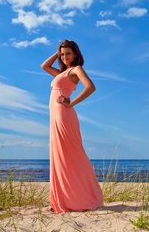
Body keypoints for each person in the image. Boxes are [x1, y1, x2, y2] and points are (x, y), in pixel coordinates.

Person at [41, 39, 103, 214]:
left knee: (71, 154)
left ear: (75, 54)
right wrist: (58, 51)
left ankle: (80, 197)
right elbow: (44, 66)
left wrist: (71, 103)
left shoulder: (76, 69)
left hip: (63, 114)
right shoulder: (62, 72)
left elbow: (91, 87)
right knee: (59, 155)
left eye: (68, 53)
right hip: (55, 116)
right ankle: (61, 201)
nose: (64, 56)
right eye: (62, 54)